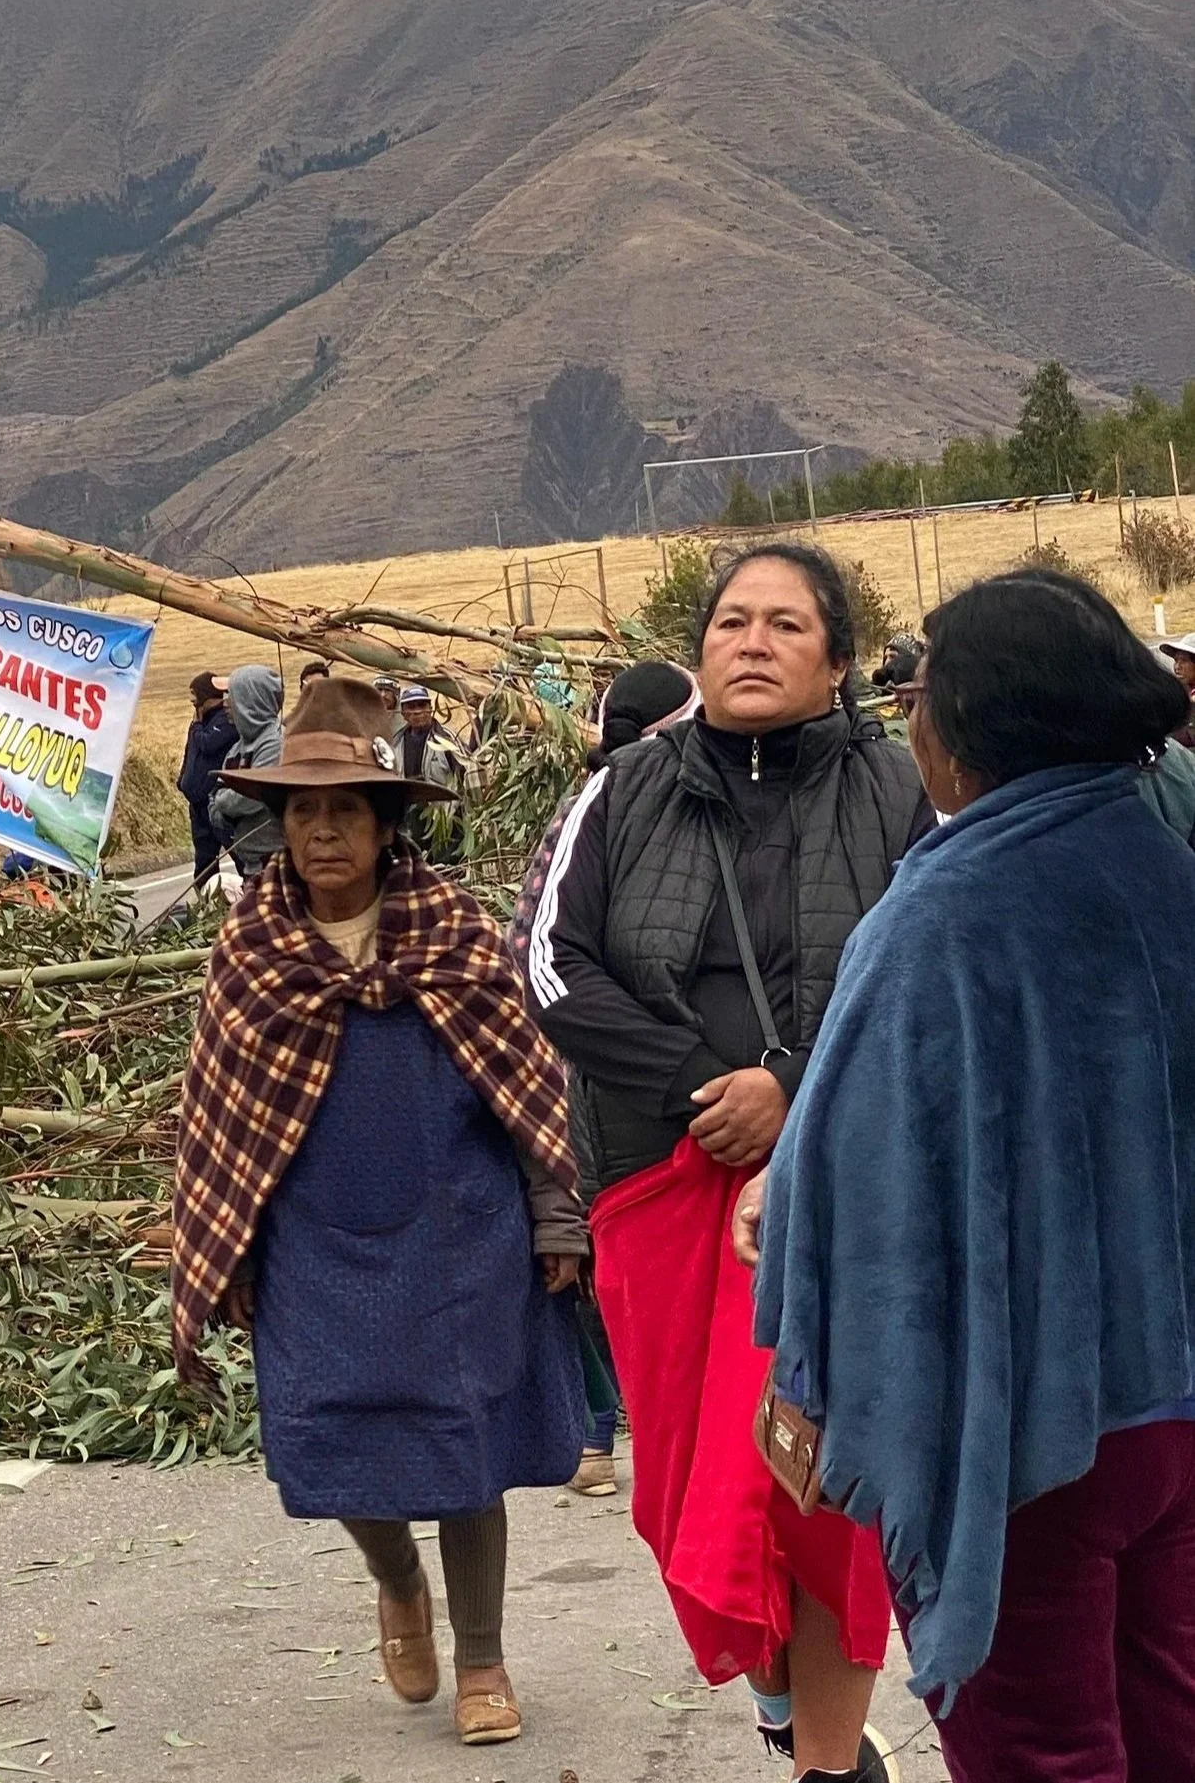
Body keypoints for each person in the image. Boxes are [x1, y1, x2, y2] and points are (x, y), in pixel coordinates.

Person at [748, 571, 1195, 1780]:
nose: (912, 723)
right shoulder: (1169, 867)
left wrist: (787, 1230)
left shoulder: (943, 916)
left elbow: (861, 1180)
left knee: (1039, 1746)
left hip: (1026, 1434)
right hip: (1174, 1410)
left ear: (972, 724)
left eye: (922, 696)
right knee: (1169, 1721)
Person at [523, 541, 928, 1782]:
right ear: (700, 652)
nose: (751, 642)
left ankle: (826, 1764)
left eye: (785, 625)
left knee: (817, 1485)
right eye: (731, 623)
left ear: (838, 662)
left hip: (840, 1183)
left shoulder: (899, 792)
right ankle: (778, 1692)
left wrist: (790, 1092)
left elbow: (928, 967)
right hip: (656, 1177)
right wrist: (706, 1091)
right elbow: (549, 967)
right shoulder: (620, 792)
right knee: (691, 1490)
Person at [174, 678, 588, 1749]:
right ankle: (398, 1578)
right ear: (281, 824)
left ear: (385, 822)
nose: (322, 831)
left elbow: (527, 1079)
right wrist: (234, 1256)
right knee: (330, 1435)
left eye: (345, 810)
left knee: (467, 1441)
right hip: (313, 1247)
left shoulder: (454, 932)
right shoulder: (250, 954)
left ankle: (484, 1660)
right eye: (304, 811)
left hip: (462, 1234)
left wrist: (555, 1213)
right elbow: (219, 1120)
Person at [507, 657, 701, 1499]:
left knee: (604, 1265)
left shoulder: (586, 804)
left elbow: (529, 948)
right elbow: (540, 954)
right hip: (636, 1092)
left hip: (590, 1079)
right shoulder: (628, 808)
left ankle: (607, 1434)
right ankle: (615, 1429)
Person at [207, 664, 286, 875]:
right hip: (251, 865)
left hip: (277, 865)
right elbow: (214, 796)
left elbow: (254, 795)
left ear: (251, 699)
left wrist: (224, 804)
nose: (225, 701)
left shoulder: (276, 744)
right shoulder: (236, 749)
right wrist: (225, 808)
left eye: (231, 694)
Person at [177, 672, 238, 893]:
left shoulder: (225, 720)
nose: (192, 700)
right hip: (198, 803)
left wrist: (196, 727)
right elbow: (191, 752)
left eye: (195, 694)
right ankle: (207, 902)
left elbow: (208, 743)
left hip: (216, 802)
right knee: (204, 860)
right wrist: (183, 780)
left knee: (238, 852)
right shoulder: (200, 721)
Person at [395, 683, 465, 792]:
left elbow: (466, 774)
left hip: (441, 801)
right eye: (411, 707)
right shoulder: (395, 743)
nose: (417, 711)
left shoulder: (448, 739)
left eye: (422, 705)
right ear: (403, 713)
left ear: (431, 709)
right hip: (406, 800)